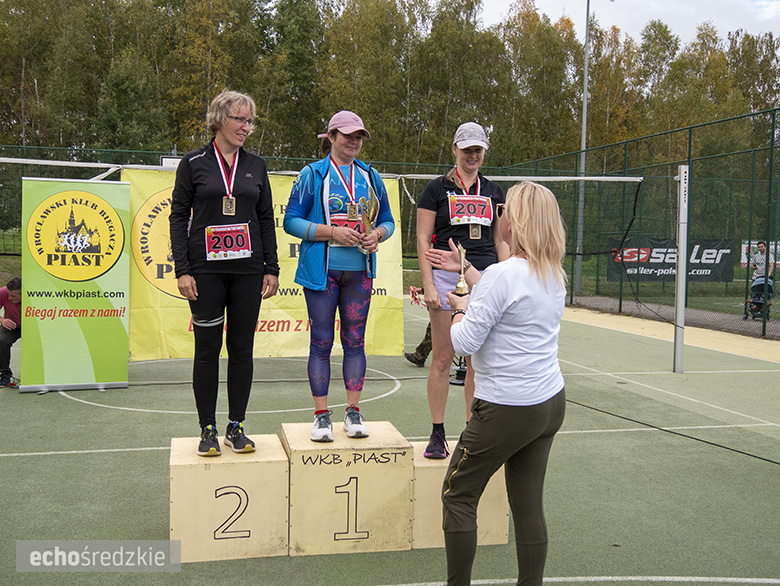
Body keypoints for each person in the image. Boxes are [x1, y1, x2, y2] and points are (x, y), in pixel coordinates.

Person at [425, 181, 567, 586]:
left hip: (507, 408)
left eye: (504, 209)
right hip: (549, 403)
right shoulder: (553, 273)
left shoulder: (503, 276)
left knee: (458, 495)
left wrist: (456, 308)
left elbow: (464, 342)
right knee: (527, 505)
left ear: (515, 222)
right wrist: (467, 274)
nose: (498, 215)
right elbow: (502, 295)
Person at [169, 90, 279, 457]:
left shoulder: (256, 165)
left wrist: (272, 268)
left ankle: (237, 426)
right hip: (205, 272)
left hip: (248, 271)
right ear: (219, 118)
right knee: (207, 351)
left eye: (250, 121)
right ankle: (208, 429)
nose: (246, 127)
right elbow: (178, 217)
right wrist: (182, 269)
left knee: (242, 350)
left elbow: (265, 219)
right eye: (239, 119)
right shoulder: (193, 162)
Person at [284, 110, 395, 442]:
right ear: (330, 137)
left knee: (355, 342)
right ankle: (321, 416)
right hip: (322, 273)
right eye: (347, 135)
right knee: (321, 342)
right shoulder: (312, 175)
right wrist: (331, 232)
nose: (354, 142)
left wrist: (379, 235)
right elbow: (291, 221)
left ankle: (353, 411)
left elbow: (387, 219)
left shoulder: (370, 175)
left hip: (360, 272)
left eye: (359, 136)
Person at [416, 122, 509, 459]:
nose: (473, 155)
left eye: (478, 149)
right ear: (454, 149)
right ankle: (437, 432)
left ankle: (471, 433)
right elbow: (424, 239)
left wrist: (507, 276)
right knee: (442, 357)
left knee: (477, 361)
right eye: (467, 148)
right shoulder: (436, 189)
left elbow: (501, 239)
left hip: (484, 278)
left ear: (484, 152)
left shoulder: (495, 191)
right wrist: (427, 282)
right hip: (444, 277)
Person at [0, 277, 22, 389]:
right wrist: (2, 320)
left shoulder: (35, 295)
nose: (9, 298)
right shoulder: (3, 292)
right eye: (8, 294)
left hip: (32, 327)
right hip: (12, 326)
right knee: (1, 340)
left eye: (13, 296)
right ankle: (5, 375)